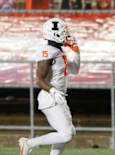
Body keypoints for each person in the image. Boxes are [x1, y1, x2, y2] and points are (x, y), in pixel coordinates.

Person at [18, 18, 80, 155]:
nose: (67, 34)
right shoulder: (47, 51)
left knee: (69, 132)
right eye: (64, 31)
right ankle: (28, 143)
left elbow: (75, 70)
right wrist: (52, 91)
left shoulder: (59, 51)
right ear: (55, 33)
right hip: (50, 97)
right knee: (66, 134)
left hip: (59, 96)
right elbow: (38, 80)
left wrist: (76, 49)